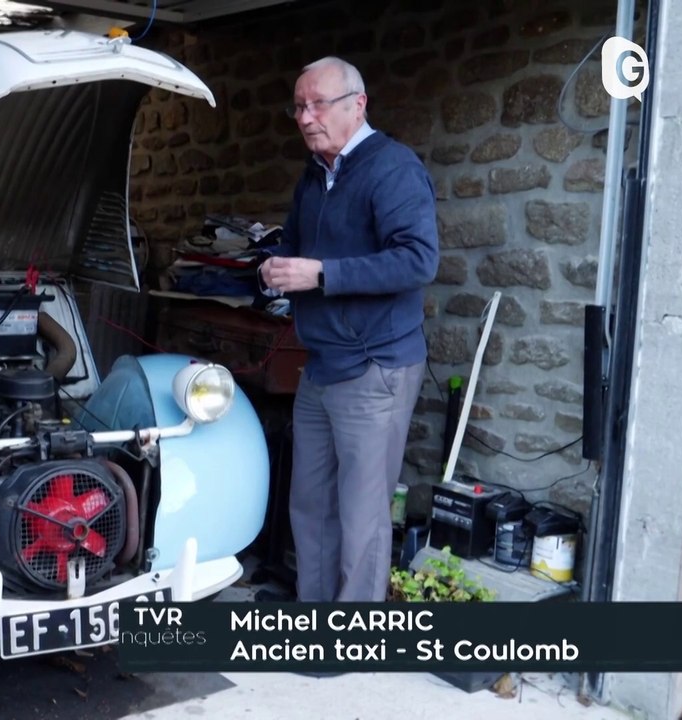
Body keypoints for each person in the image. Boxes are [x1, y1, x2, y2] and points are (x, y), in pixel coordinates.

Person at [257, 56, 439, 603]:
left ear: (357, 105)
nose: (306, 117)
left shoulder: (393, 168)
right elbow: (292, 245)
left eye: (318, 104)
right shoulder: (314, 177)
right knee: (310, 504)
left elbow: (418, 260)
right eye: (298, 106)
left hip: (375, 366)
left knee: (362, 513)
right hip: (322, 363)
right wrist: (274, 267)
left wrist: (322, 274)